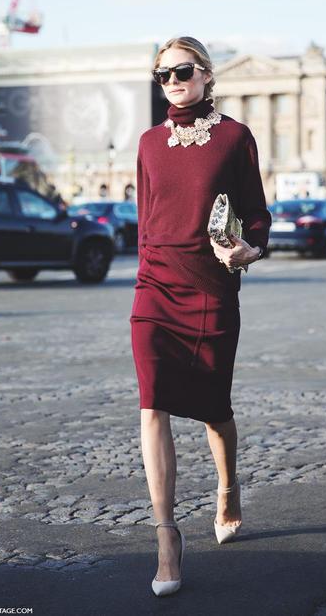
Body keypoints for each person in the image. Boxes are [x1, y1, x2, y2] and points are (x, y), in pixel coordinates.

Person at [130, 36, 271, 597]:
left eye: (182, 72)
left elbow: (256, 213)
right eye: (162, 75)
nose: (172, 82)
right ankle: (167, 535)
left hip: (211, 287)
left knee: (214, 410)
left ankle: (228, 486)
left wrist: (249, 250)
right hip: (155, 287)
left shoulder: (235, 138)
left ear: (207, 74)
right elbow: (146, 220)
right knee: (152, 403)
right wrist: (145, 273)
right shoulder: (147, 142)